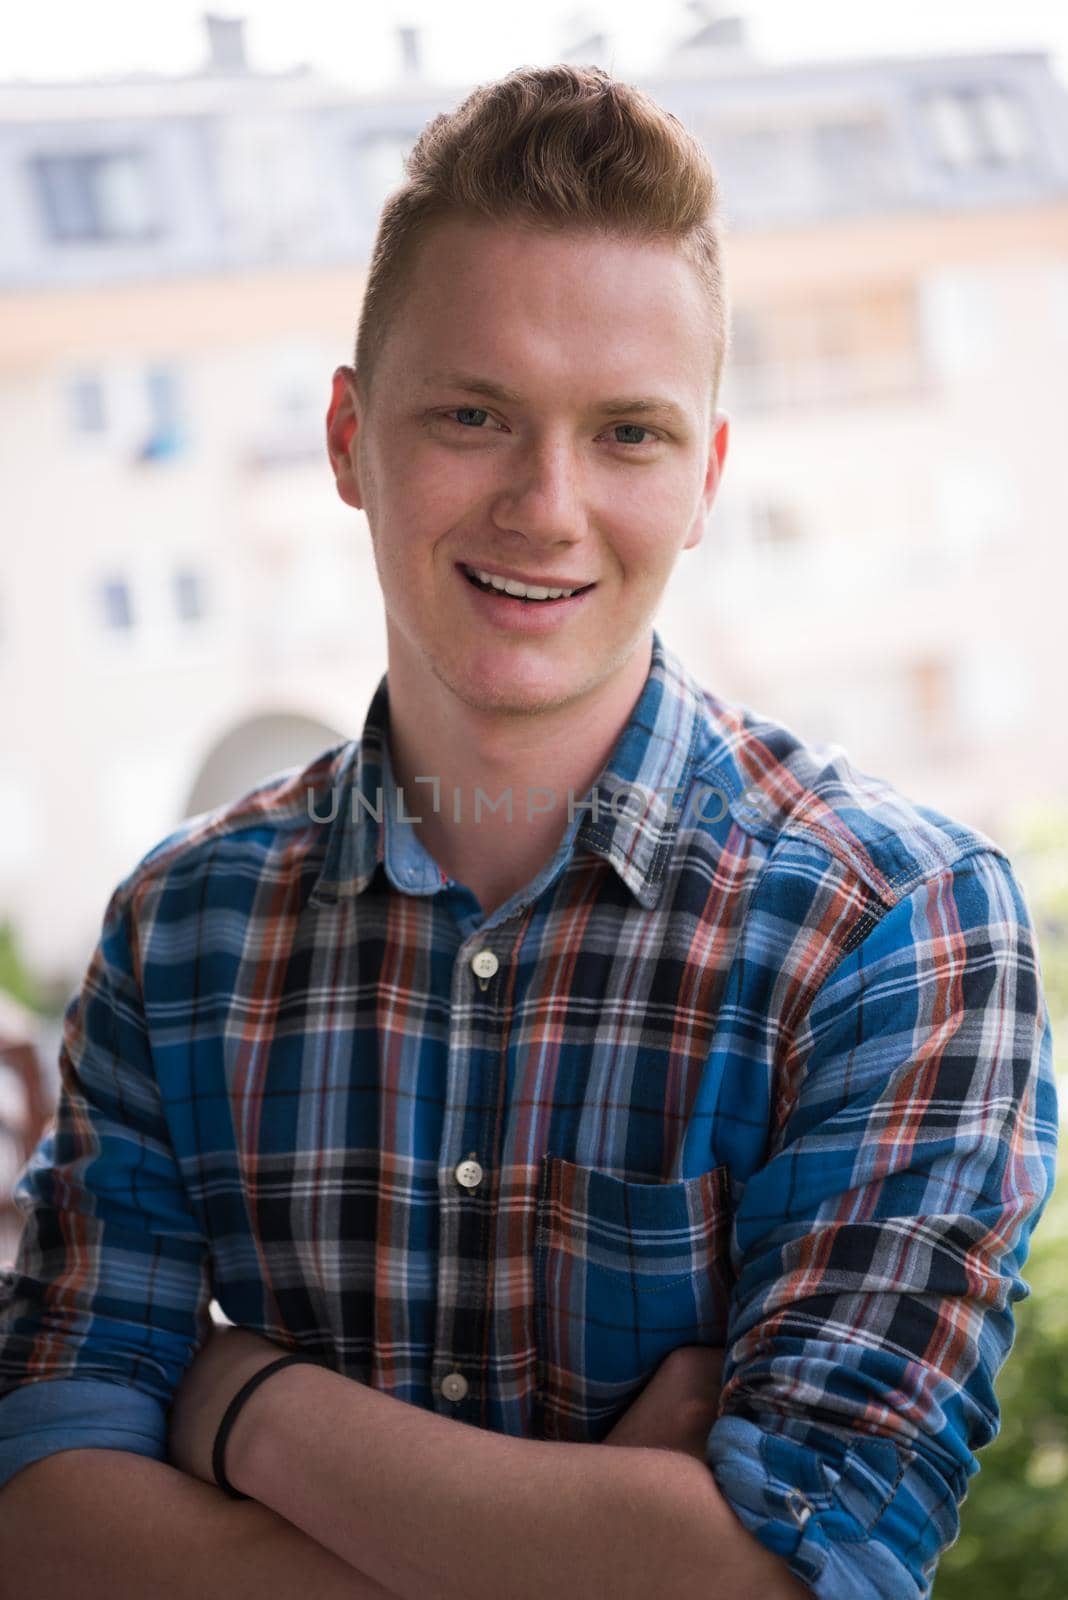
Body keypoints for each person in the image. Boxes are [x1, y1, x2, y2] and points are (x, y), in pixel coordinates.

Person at [0, 62, 1058, 1600]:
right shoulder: (179, 938)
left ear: (704, 479)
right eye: (475, 414)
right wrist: (601, 1542)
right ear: (351, 438)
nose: (546, 505)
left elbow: (791, 1580)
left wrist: (246, 1407)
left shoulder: (893, 931)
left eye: (625, 433)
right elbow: (37, 1529)